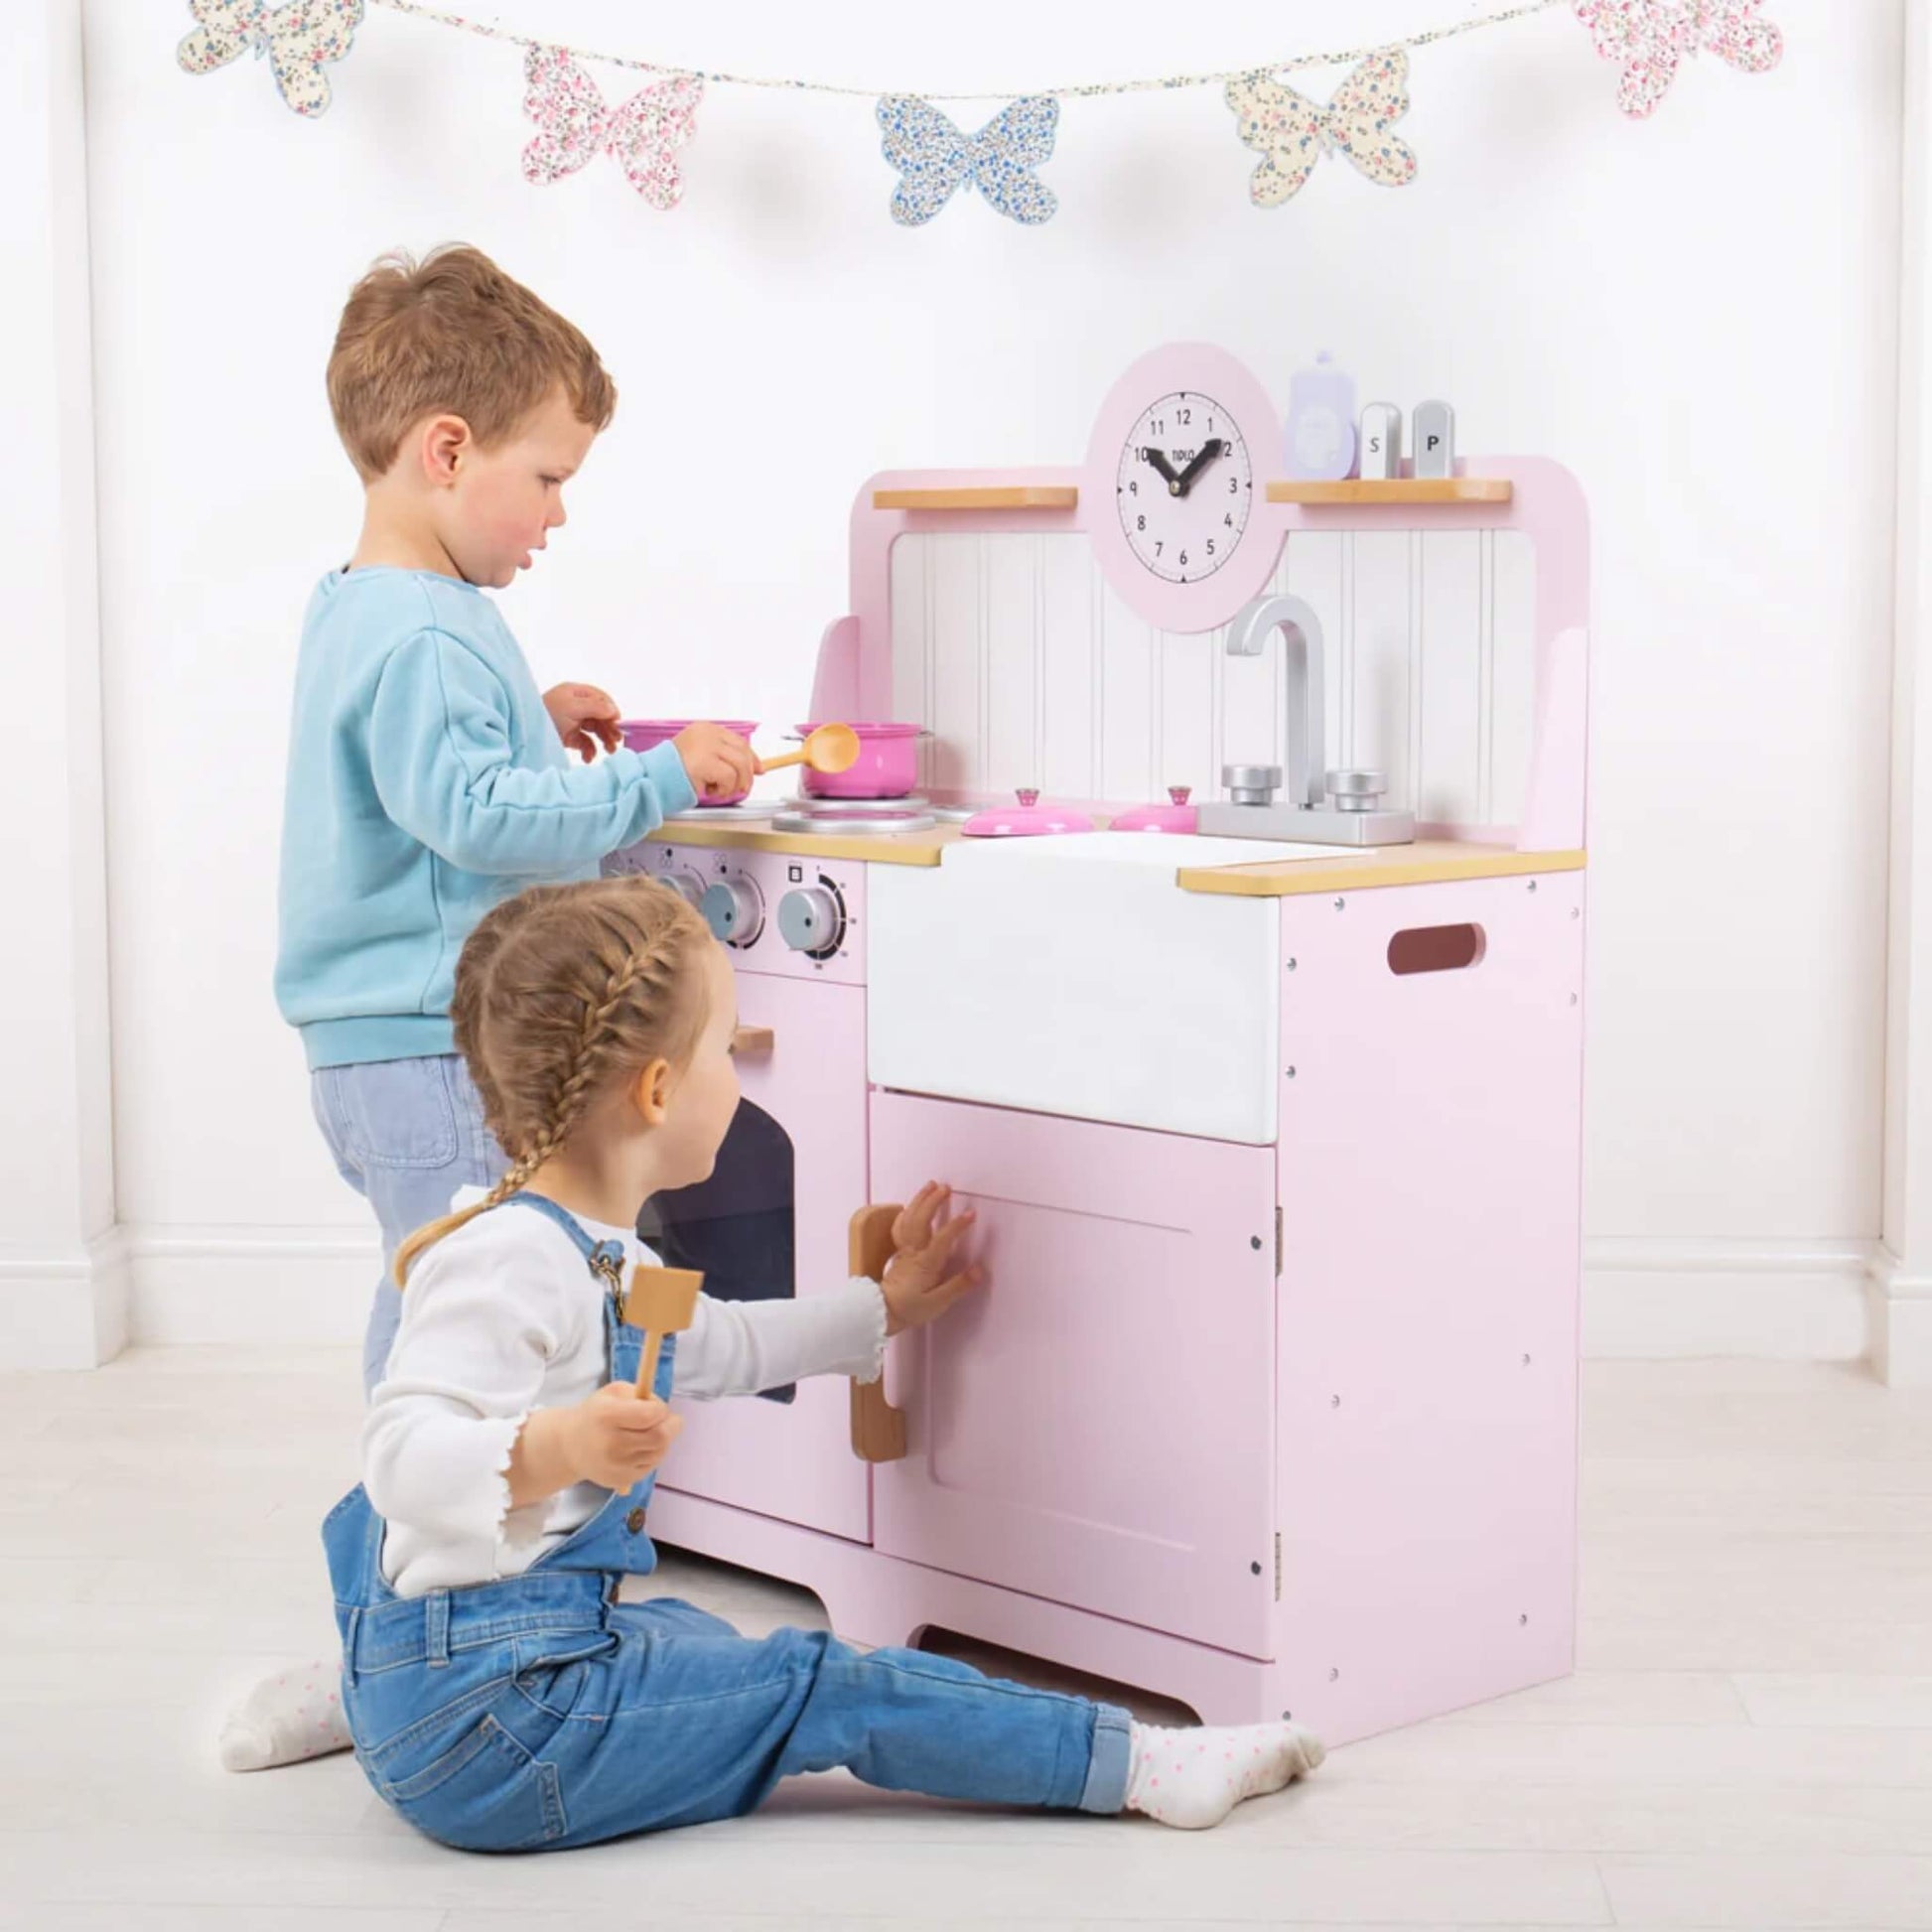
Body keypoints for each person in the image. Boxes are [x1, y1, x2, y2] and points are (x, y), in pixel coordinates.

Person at [321, 876, 1325, 1846]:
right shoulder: (504, 1257)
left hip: (504, 1668)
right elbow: (402, 1459)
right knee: (822, 1681)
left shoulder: (595, 1248)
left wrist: (881, 1305)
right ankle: (1140, 1767)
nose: (740, 1057)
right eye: (727, 1042)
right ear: (660, 1089)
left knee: (687, 1631)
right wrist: (558, 1442)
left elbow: (726, 1344)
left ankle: (381, 1704)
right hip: (510, 1736)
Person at [274, 242, 757, 1396]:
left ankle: (453, 1528)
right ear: (446, 449)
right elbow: (478, 819)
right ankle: (429, 1547)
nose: (558, 512)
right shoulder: (429, 630)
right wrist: (661, 778)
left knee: (446, 1281)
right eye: (547, 477)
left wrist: (528, 724)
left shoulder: (365, 606)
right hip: (436, 1041)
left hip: (382, 1043)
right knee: (466, 1299)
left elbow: (416, 785)